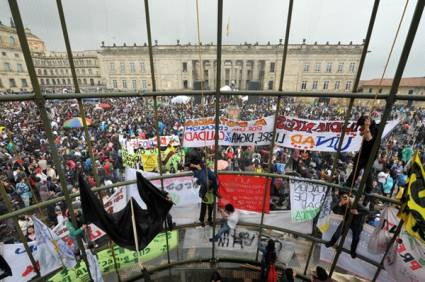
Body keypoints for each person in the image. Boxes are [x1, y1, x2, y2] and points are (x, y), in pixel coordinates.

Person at [345, 115, 379, 203]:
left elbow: (369, 139)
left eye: (362, 125)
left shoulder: (374, 128)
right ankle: (349, 184)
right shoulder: (370, 127)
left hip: (369, 154)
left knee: (366, 171)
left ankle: (367, 190)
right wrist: (364, 129)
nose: (361, 127)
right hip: (365, 152)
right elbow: (361, 133)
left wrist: (366, 126)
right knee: (357, 167)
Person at [325, 193, 369, 258]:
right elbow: (335, 210)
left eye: (345, 198)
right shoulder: (342, 202)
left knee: (355, 238)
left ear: (348, 198)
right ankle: (331, 242)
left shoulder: (355, 203)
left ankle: (352, 251)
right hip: (347, 220)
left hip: (357, 223)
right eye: (342, 199)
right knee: (338, 232)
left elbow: (367, 211)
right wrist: (340, 204)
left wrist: (358, 212)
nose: (342, 200)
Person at [187, 150, 218, 227]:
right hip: (205, 191)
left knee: (210, 207)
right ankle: (201, 220)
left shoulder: (205, 167)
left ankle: (209, 219)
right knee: (204, 206)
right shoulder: (197, 166)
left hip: (211, 191)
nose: (203, 159)